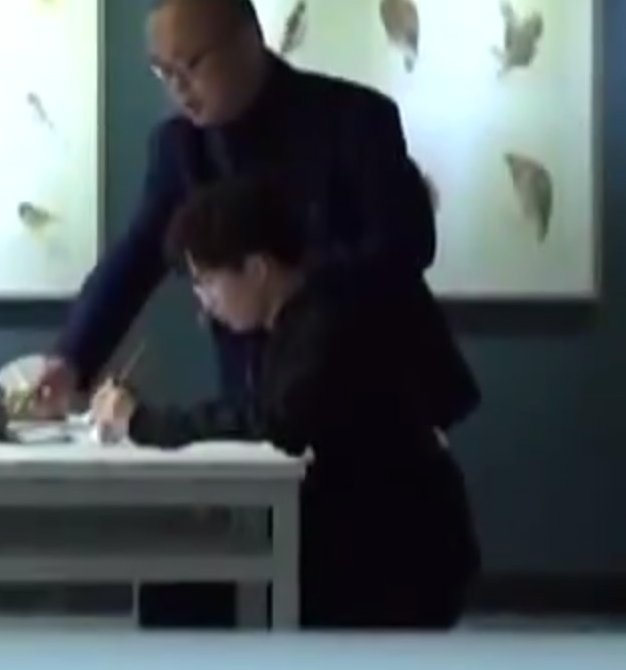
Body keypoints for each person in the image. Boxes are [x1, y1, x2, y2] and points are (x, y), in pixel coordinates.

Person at [25, 0, 436, 412]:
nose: (178, 87)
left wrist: (286, 291)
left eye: (190, 65)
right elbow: (136, 256)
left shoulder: (354, 118)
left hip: (369, 391)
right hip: (253, 396)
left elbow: (406, 247)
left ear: (248, 42)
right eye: (163, 71)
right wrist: (71, 358)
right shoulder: (179, 146)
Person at [89, 177, 481, 630]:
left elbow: (277, 420)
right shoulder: (308, 315)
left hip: (394, 556)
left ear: (257, 269)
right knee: (179, 578)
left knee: (175, 593)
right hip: (379, 536)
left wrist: (143, 422)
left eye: (208, 281)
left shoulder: (326, 322)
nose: (204, 304)